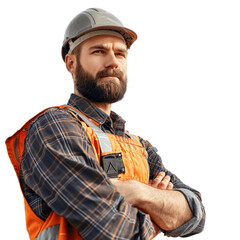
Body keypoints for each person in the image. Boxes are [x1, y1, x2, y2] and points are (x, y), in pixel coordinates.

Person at [6, 8, 205, 240]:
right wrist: (162, 217)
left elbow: (196, 215)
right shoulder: (53, 127)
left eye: (120, 53)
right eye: (99, 51)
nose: (113, 62)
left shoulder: (140, 147)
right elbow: (112, 231)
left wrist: (138, 192)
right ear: (71, 63)